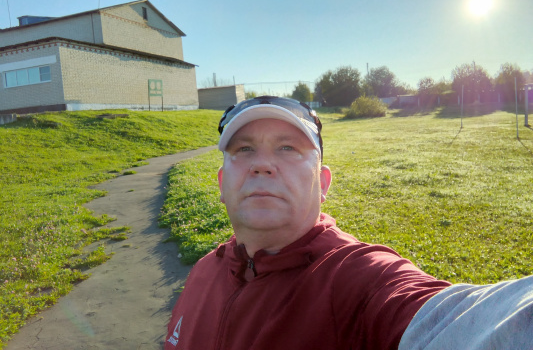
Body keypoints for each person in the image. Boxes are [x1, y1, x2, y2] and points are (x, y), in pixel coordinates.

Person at [165, 96, 533, 350]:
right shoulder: (203, 272)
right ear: (222, 184)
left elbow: (455, 323)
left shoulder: (358, 278)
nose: (261, 164)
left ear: (323, 183)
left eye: (288, 147)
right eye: (244, 149)